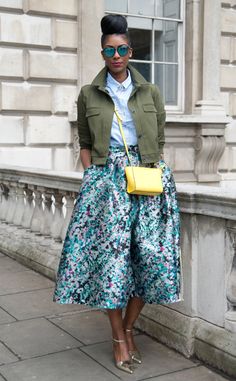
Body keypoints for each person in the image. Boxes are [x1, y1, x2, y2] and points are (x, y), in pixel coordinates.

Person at [53, 14, 182, 375]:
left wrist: (157, 171)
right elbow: (85, 141)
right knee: (109, 265)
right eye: (110, 50)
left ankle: (129, 325)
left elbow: (158, 138)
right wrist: (92, 175)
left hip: (146, 182)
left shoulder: (150, 92)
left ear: (131, 51)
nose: (117, 55)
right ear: (102, 52)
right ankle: (117, 336)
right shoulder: (88, 94)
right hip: (106, 184)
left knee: (151, 259)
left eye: (123, 48)